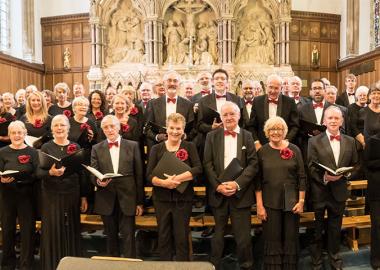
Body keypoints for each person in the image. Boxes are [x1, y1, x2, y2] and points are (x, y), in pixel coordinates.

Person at [204, 101, 258, 270]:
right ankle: (214, 266)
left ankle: (246, 266)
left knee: (243, 237)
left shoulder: (247, 136)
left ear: (239, 116)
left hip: (240, 194)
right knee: (218, 236)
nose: (228, 117)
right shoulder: (211, 136)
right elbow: (207, 163)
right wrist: (218, 186)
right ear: (220, 117)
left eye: (232, 114)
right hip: (218, 193)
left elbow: (253, 164)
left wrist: (236, 184)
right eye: (225, 114)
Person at [308, 106, 358, 270]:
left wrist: (345, 175)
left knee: (335, 228)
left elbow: (355, 165)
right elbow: (310, 166)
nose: (333, 121)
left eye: (337, 118)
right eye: (330, 118)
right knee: (318, 228)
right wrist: (324, 177)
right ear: (324, 121)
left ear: (342, 121)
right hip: (320, 190)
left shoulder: (350, 141)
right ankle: (316, 259)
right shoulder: (314, 140)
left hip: (339, 190)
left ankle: (334, 256)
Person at [146, 113, 202, 260]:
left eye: (178, 128)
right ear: (166, 128)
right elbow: (149, 175)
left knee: (181, 236)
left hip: (183, 199)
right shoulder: (156, 149)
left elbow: (198, 169)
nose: (175, 131)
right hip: (161, 199)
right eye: (172, 128)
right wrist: (164, 183)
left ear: (183, 130)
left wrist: (178, 178)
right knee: (163, 236)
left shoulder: (189, 146)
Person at [37, 114, 88, 270]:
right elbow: (38, 173)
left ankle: (72, 266)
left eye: (62, 125)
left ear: (68, 128)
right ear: (52, 129)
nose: (59, 128)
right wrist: (50, 173)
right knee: (53, 230)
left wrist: (84, 196)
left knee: (71, 229)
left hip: (71, 193)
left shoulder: (75, 147)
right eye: (56, 125)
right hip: (51, 194)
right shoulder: (46, 147)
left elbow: (82, 173)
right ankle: (52, 265)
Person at [256, 116, 306, 269]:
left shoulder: (295, 149)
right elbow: (257, 181)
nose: (275, 132)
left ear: (284, 131)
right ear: (267, 132)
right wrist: (259, 206)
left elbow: (302, 177)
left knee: (291, 238)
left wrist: (301, 201)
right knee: (272, 239)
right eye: (272, 129)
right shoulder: (262, 151)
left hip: (291, 202)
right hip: (269, 202)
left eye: (279, 129)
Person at [90, 115, 144, 257]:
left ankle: (130, 266)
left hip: (128, 197)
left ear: (119, 127)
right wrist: (98, 181)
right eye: (106, 127)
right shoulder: (96, 148)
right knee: (111, 239)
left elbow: (139, 175)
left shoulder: (133, 145)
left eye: (112, 126)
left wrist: (140, 202)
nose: (109, 129)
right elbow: (93, 173)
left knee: (128, 237)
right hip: (106, 197)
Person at [0, 121, 38, 270]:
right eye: (13, 133)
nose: (16, 135)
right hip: (6, 196)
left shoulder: (33, 152)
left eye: (19, 132)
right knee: (8, 229)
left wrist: (25, 177)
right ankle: (7, 264)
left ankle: (26, 264)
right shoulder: (2, 152)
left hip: (26, 196)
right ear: (9, 135)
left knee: (27, 231)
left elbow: (37, 174)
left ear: (25, 134)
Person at [249, 74, 299, 151]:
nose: (273, 91)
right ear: (266, 86)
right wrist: (256, 142)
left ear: (281, 88)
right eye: (270, 87)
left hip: (283, 147)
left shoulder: (290, 102)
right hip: (262, 147)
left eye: (276, 88)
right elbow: (252, 125)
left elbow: (295, 125)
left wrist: (286, 141)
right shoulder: (257, 101)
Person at [146, 71, 195, 147]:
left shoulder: (188, 105)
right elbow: (147, 128)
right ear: (164, 83)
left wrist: (185, 136)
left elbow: (193, 128)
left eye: (175, 81)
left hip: (181, 147)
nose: (172, 83)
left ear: (179, 84)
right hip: (159, 147)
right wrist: (157, 137)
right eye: (169, 80)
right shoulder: (153, 104)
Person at [362, 83, 380, 270]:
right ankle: (376, 258)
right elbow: (370, 163)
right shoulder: (373, 141)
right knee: (377, 225)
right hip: (377, 186)